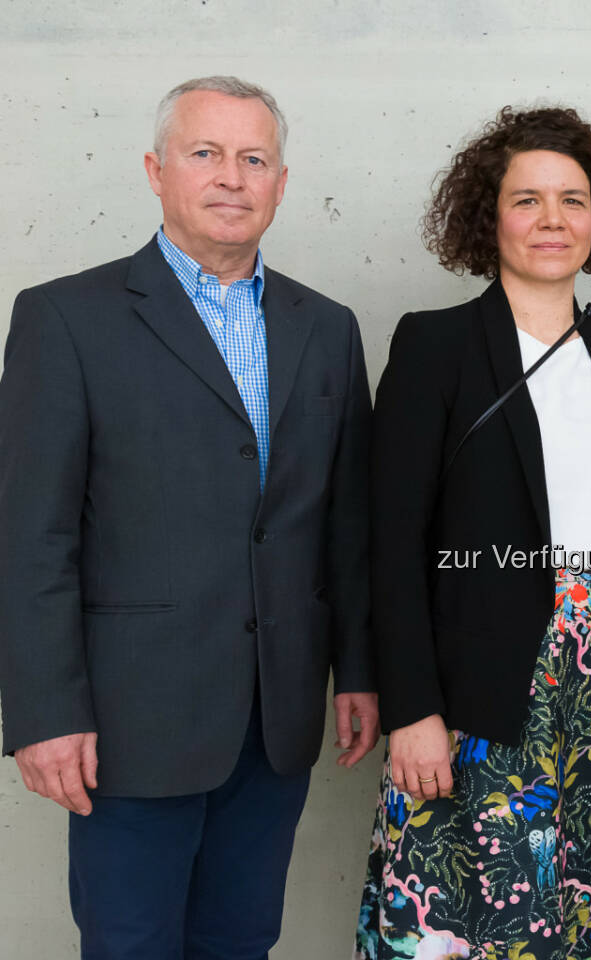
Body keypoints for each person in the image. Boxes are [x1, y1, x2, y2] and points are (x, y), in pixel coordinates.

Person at [0, 76, 378, 959]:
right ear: (156, 170)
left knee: (241, 943)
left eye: (254, 159)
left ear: (282, 183)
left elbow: (347, 526)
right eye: (205, 153)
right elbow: (31, 535)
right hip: (128, 723)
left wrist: (358, 671)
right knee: (130, 945)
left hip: (275, 717)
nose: (230, 177)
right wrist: (44, 712)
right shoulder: (65, 318)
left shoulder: (327, 327)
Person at [356, 105, 591, 960]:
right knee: (476, 920)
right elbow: (391, 542)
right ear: (489, 215)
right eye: (528, 200)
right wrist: (412, 710)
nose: (553, 220)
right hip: (480, 690)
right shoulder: (435, 347)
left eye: (573, 200)